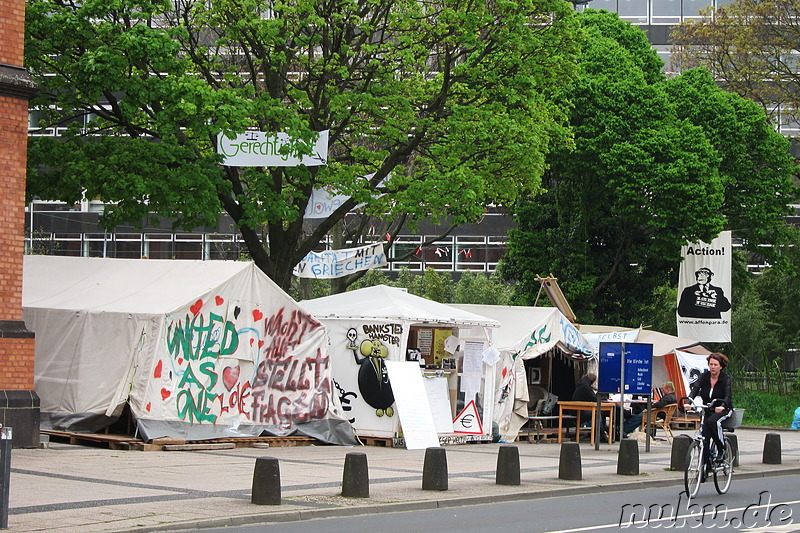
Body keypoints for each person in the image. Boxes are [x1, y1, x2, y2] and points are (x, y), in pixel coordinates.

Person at [683, 353, 733, 462]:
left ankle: (721, 449)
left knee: (713, 422)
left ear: (721, 366)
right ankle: (705, 466)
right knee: (704, 436)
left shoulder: (726, 378)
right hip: (708, 409)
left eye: (715, 364)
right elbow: (695, 390)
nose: (713, 367)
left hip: (723, 410)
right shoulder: (704, 377)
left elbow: (728, 396)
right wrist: (688, 402)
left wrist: (723, 406)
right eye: (711, 364)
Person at [571, 373, 608, 442]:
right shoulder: (586, 387)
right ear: (592, 381)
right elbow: (594, 398)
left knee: (597, 412)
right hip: (579, 411)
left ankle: (600, 434)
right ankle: (602, 434)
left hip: (576, 410)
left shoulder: (582, 384)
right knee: (597, 413)